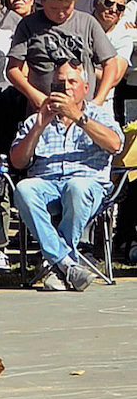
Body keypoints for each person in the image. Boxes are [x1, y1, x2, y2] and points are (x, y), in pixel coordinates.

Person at [11, 61, 123, 292]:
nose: (66, 87)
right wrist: (39, 127)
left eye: (72, 82)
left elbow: (115, 144)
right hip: (47, 185)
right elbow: (18, 162)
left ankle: (57, 265)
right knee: (24, 188)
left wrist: (78, 117)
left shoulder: (98, 115)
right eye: (60, 83)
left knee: (76, 186)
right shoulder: (37, 119)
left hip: (88, 185)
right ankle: (67, 264)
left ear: (86, 88)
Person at [7, 0, 120, 111]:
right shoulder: (28, 25)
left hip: (81, 110)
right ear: (42, 0)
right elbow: (13, 69)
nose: (61, 14)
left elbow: (110, 63)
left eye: (66, 7)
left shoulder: (87, 22)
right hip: (44, 109)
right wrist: (34, 95)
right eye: (54, 9)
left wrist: (99, 100)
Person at [92, 0, 133, 119]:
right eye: (109, 3)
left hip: (103, 105)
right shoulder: (80, 26)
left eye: (120, 7)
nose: (114, 9)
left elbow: (114, 78)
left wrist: (84, 68)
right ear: (96, 2)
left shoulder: (123, 37)